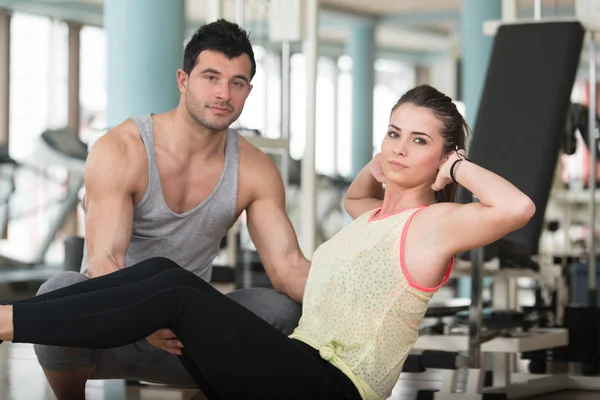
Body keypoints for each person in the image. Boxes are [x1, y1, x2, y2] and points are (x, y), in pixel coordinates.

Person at [0, 84, 536, 400]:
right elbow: (356, 195)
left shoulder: (434, 224)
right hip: (296, 364)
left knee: (177, 292)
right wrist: (388, 160)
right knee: (164, 275)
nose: (399, 148)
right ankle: (13, 318)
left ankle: (6, 321)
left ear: (443, 157)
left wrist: (456, 166)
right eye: (393, 132)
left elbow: (517, 208)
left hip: (334, 385)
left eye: (419, 141)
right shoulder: (371, 217)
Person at [34, 19, 309, 399]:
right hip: (107, 331)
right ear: (183, 80)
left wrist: (356, 307)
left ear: (248, 90)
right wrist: (143, 316)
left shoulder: (255, 168)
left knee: (281, 310)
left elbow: (288, 267)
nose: (223, 93)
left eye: (237, 82)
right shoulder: (123, 148)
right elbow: (104, 262)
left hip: (186, 338)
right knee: (60, 290)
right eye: (210, 77)